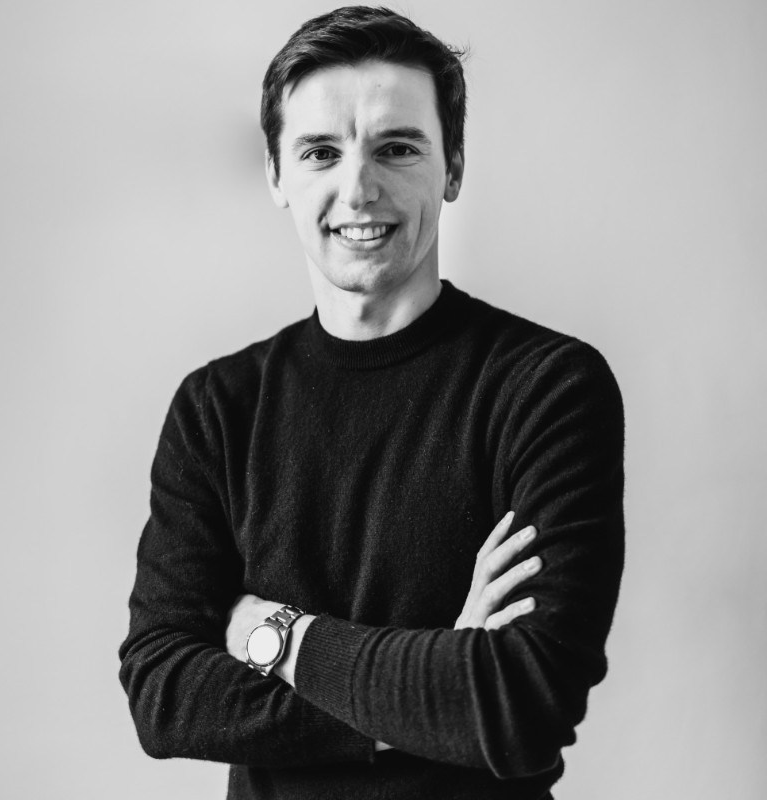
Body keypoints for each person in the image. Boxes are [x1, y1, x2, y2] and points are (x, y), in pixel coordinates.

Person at [119, 6, 625, 800]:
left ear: (453, 168)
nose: (358, 188)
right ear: (277, 174)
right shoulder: (217, 409)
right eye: (321, 151)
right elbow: (164, 694)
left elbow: (520, 702)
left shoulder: (546, 388)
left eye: (397, 148)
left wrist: (274, 635)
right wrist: (434, 685)